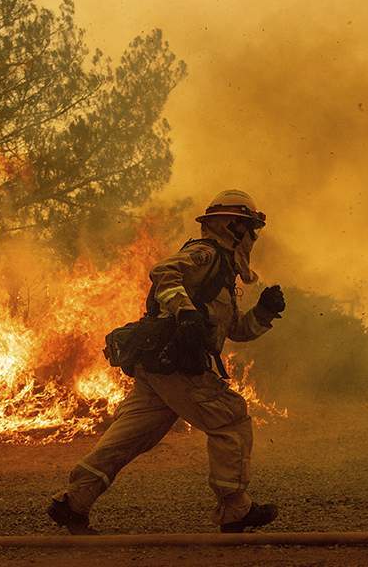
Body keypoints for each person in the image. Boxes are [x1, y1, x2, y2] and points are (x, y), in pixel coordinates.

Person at [48, 190, 287, 534]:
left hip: (160, 369)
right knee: (230, 419)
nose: (254, 237)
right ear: (234, 227)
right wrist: (185, 311)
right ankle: (235, 508)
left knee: (130, 437)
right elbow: (163, 274)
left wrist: (264, 313)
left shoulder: (223, 274)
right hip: (175, 364)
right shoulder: (205, 254)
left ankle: (73, 502)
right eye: (251, 228)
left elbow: (233, 331)